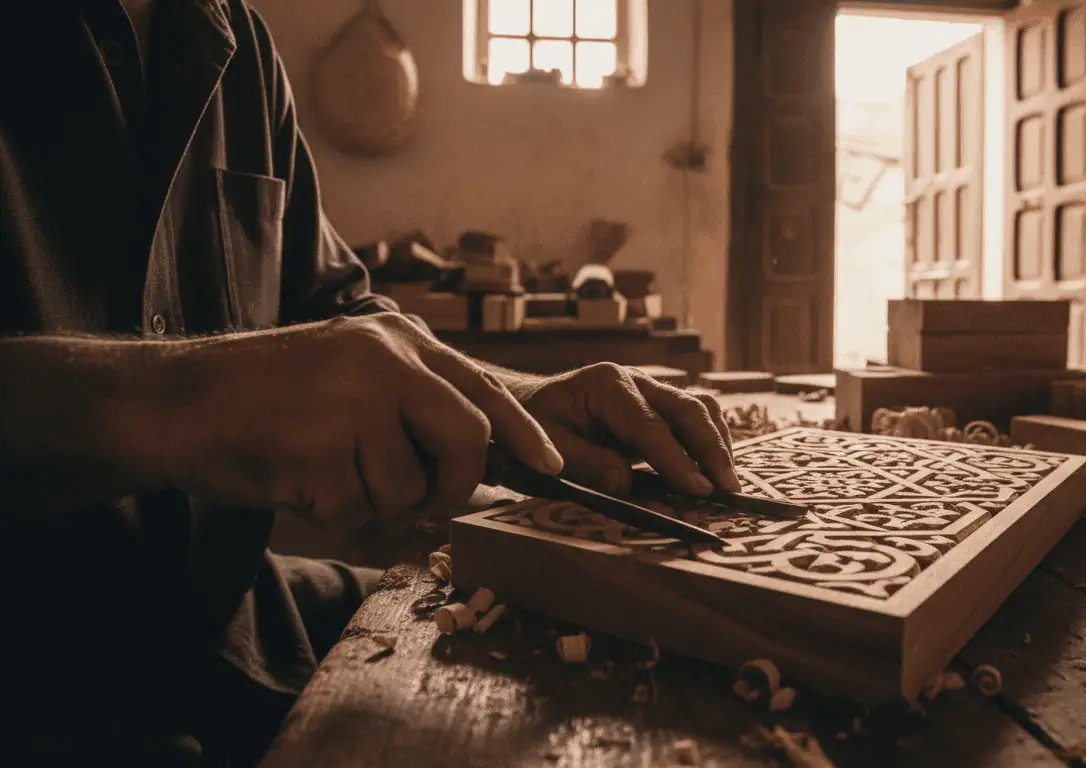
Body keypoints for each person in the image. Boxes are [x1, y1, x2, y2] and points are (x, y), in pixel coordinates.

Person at [0, 1, 738, 764]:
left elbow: (338, 314)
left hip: (227, 622)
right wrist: (185, 402)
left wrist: (513, 399)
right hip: (34, 692)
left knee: (621, 680)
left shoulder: (229, 35)